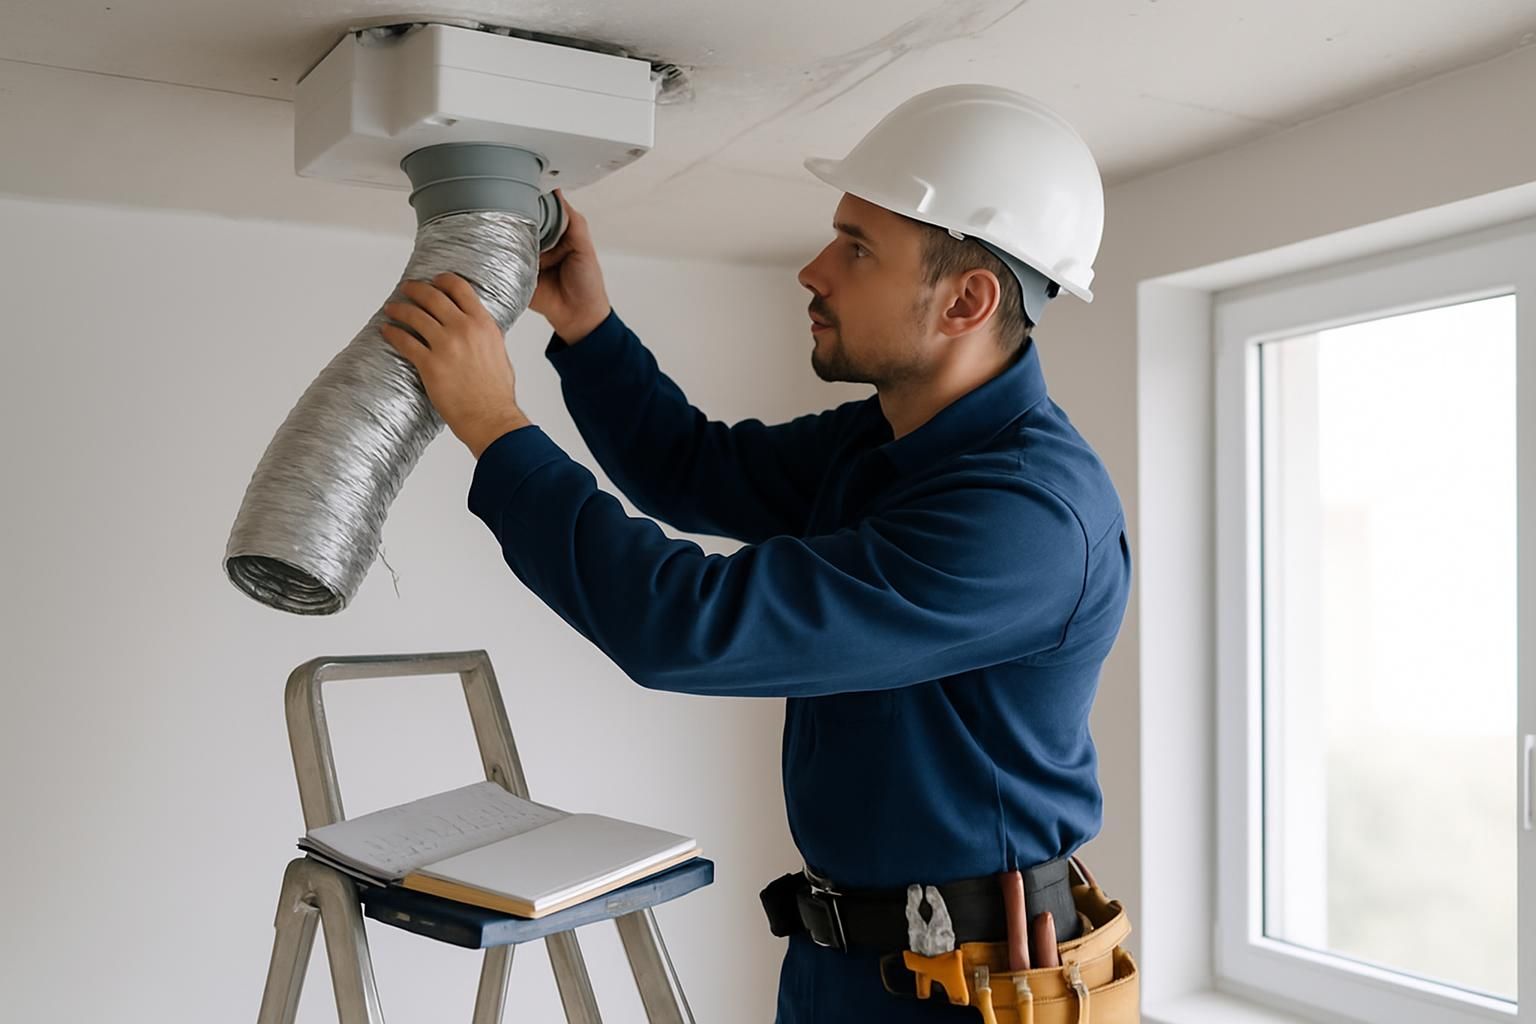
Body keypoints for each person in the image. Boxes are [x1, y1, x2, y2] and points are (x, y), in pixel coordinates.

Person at [379, 84, 1131, 1022]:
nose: (815, 269)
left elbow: (686, 627)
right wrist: (588, 327)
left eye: (858, 249)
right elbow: (693, 469)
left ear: (967, 299)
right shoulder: (891, 442)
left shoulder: (1025, 519)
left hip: (972, 989)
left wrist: (498, 428)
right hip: (852, 961)